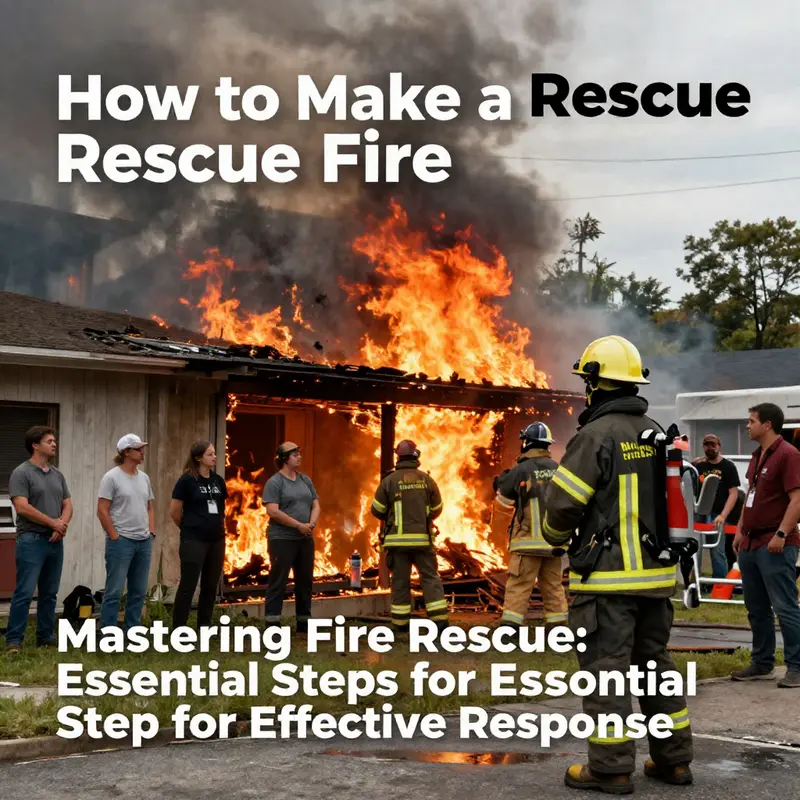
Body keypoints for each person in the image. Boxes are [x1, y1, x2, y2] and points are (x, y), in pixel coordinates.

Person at [541, 335, 693, 793]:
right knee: (656, 670)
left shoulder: (595, 435)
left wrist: (552, 539)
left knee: (606, 672)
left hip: (607, 583)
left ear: (595, 383)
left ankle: (610, 769)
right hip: (656, 582)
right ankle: (675, 761)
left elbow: (564, 505)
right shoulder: (655, 432)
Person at [731, 402, 800, 687]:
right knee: (755, 606)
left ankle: (797, 667)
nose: (747, 425)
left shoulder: (789, 455)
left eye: (751, 421)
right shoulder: (757, 455)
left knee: (785, 606)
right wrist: (739, 530)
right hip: (750, 543)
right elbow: (751, 495)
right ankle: (762, 663)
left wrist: (781, 535)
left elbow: (797, 499)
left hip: (775, 543)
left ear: (767, 424)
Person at [495, 422, 568, 630]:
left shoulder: (521, 470)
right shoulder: (558, 469)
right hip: (554, 544)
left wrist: (501, 484)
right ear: (546, 445)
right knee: (553, 587)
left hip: (527, 544)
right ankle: (558, 628)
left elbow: (504, 503)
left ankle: (510, 629)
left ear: (526, 442)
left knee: (519, 586)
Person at [5, 426, 72, 652]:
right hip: (31, 540)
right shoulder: (21, 473)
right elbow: (22, 507)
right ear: (35, 445)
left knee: (49, 593)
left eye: (54, 441)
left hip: (55, 540)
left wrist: (61, 525)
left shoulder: (57, 474)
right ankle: (14, 640)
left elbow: (68, 503)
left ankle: (45, 636)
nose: (54, 444)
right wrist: (53, 522)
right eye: (49, 441)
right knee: (24, 592)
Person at [370, 439, 449, 632]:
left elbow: (376, 509)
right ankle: (440, 622)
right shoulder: (426, 480)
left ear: (398, 457)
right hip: (423, 541)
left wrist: (391, 515)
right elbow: (437, 508)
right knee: (430, 578)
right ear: (415, 456)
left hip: (397, 544)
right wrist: (423, 517)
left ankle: (400, 624)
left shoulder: (389, 481)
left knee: (400, 581)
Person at [97, 434, 156, 631]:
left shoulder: (144, 478)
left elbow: (149, 508)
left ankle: (133, 631)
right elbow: (102, 510)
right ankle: (109, 633)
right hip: (121, 542)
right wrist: (114, 536)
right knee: (114, 591)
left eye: (142, 448)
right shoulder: (111, 477)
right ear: (126, 452)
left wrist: (151, 533)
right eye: (138, 449)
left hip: (143, 541)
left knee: (138, 591)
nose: (143, 452)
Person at [262, 442, 320, 633]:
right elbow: (273, 511)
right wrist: (298, 525)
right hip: (282, 539)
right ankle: (273, 623)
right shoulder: (275, 482)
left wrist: (310, 524)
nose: (299, 457)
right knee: (279, 580)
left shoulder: (305, 480)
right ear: (284, 459)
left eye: (299, 453)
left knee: (305, 581)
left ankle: (304, 622)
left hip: (305, 538)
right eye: (295, 454)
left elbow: (316, 504)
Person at [170, 440, 228, 628]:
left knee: (210, 586)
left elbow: (221, 508)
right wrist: (188, 528)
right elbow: (175, 511)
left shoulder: (218, 480)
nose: (214, 457)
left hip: (216, 540)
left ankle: (204, 626)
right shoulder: (187, 481)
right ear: (198, 458)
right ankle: (179, 628)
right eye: (210, 454)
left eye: (214, 453)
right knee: (188, 585)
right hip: (194, 540)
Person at [692, 434, 741, 582]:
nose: (710, 448)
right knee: (696, 549)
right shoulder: (698, 466)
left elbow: (733, 494)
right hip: (700, 512)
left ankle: (719, 584)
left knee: (717, 550)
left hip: (718, 514)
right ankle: (696, 582)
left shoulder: (728, 466)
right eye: (707, 445)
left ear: (719, 446)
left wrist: (723, 515)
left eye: (713, 445)